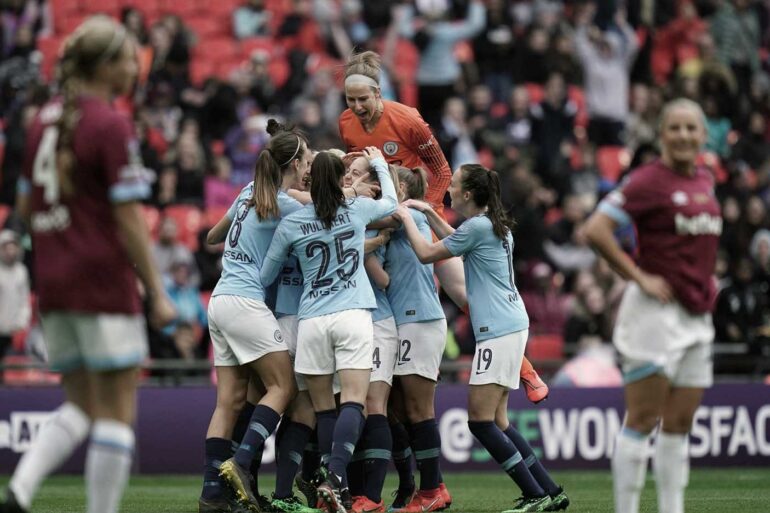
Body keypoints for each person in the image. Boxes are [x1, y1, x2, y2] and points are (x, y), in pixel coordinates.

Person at [0, 16, 176, 513]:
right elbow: (130, 219)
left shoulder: (41, 121)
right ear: (106, 66)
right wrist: (157, 292)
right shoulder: (109, 122)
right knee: (118, 409)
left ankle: (20, 490)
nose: (134, 67)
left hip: (54, 279)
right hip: (100, 278)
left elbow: (26, 204)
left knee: (80, 402)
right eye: (127, 58)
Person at [338, 50, 549, 404]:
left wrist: (424, 212)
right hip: (377, 216)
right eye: (351, 100)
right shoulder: (346, 122)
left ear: (378, 93)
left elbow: (443, 172)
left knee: (464, 293)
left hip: (415, 214)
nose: (357, 106)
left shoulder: (408, 120)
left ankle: (525, 370)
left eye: (364, 99)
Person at [395, 164, 569, 513]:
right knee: (500, 421)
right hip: (511, 323)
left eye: (455, 186)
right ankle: (549, 489)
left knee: (479, 421)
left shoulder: (476, 227)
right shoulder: (492, 225)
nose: (449, 192)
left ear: (469, 194)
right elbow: (456, 244)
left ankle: (534, 496)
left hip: (498, 331)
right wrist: (429, 212)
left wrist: (405, 217)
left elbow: (429, 253)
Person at [583, 98, 722, 513]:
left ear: (702, 135)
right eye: (675, 128)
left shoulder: (705, 179)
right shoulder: (647, 180)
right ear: (661, 134)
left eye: (691, 128)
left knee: (679, 426)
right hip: (654, 317)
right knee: (643, 421)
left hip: (697, 315)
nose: (683, 136)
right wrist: (638, 277)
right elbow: (596, 229)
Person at [261, 147, 397, 513]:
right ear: (341, 180)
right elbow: (392, 202)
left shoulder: (293, 223)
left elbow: (267, 274)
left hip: (311, 319)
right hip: (352, 314)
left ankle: (332, 481)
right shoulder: (356, 210)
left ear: (310, 181)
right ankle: (335, 477)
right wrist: (381, 164)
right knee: (353, 400)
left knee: (322, 411)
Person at [203, 122, 310, 513]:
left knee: (228, 403)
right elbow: (330, 215)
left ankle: (212, 495)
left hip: (219, 301)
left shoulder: (249, 192)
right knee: (283, 387)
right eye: (306, 161)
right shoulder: (286, 205)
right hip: (247, 303)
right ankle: (242, 467)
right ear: (296, 163)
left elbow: (213, 237)